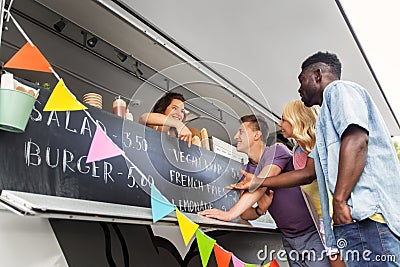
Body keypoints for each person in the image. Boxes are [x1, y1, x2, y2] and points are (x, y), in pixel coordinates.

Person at [232, 52, 400, 266]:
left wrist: (339, 200)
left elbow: (357, 140)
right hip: (353, 223)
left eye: (301, 81)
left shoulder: (339, 90)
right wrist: (258, 181)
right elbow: (307, 173)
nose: (299, 90)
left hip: (368, 219)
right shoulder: (324, 124)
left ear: (317, 75)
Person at [198, 114, 330, 266]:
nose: (236, 136)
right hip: (289, 238)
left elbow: (261, 184)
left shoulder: (276, 151)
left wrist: (229, 214)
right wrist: (260, 210)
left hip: (313, 234)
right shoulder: (246, 170)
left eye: (241, 131)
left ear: (257, 134)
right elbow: (246, 213)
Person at [279, 100, 344, 267]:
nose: (280, 123)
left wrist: (259, 181)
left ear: (298, 119)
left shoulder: (324, 145)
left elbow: (307, 176)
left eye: (284, 119)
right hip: (323, 222)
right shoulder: (297, 152)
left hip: (343, 218)